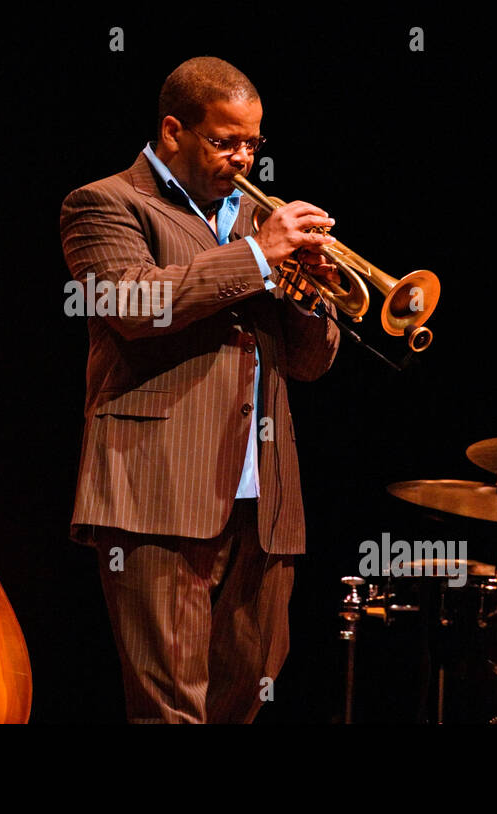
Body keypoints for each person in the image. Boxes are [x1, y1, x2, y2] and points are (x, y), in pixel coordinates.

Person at [60, 56, 341, 723]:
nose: (243, 158)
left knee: (243, 701)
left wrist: (309, 295)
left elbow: (309, 364)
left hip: (263, 499)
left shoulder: (254, 219)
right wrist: (253, 259)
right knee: (169, 713)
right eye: (225, 141)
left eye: (254, 143)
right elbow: (129, 304)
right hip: (155, 491)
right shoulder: (105, 203)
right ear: (173, 130)